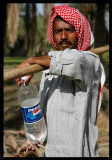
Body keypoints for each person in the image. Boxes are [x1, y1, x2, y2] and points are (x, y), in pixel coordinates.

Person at [16, 5, 105, 157]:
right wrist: (35, 136)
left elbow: (74, 60)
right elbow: (43, 112)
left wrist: (31, 60)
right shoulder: (48, 70)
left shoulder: (90, 62)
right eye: (58, 31)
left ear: (79, 33)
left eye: (69, 30)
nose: (63, 36)